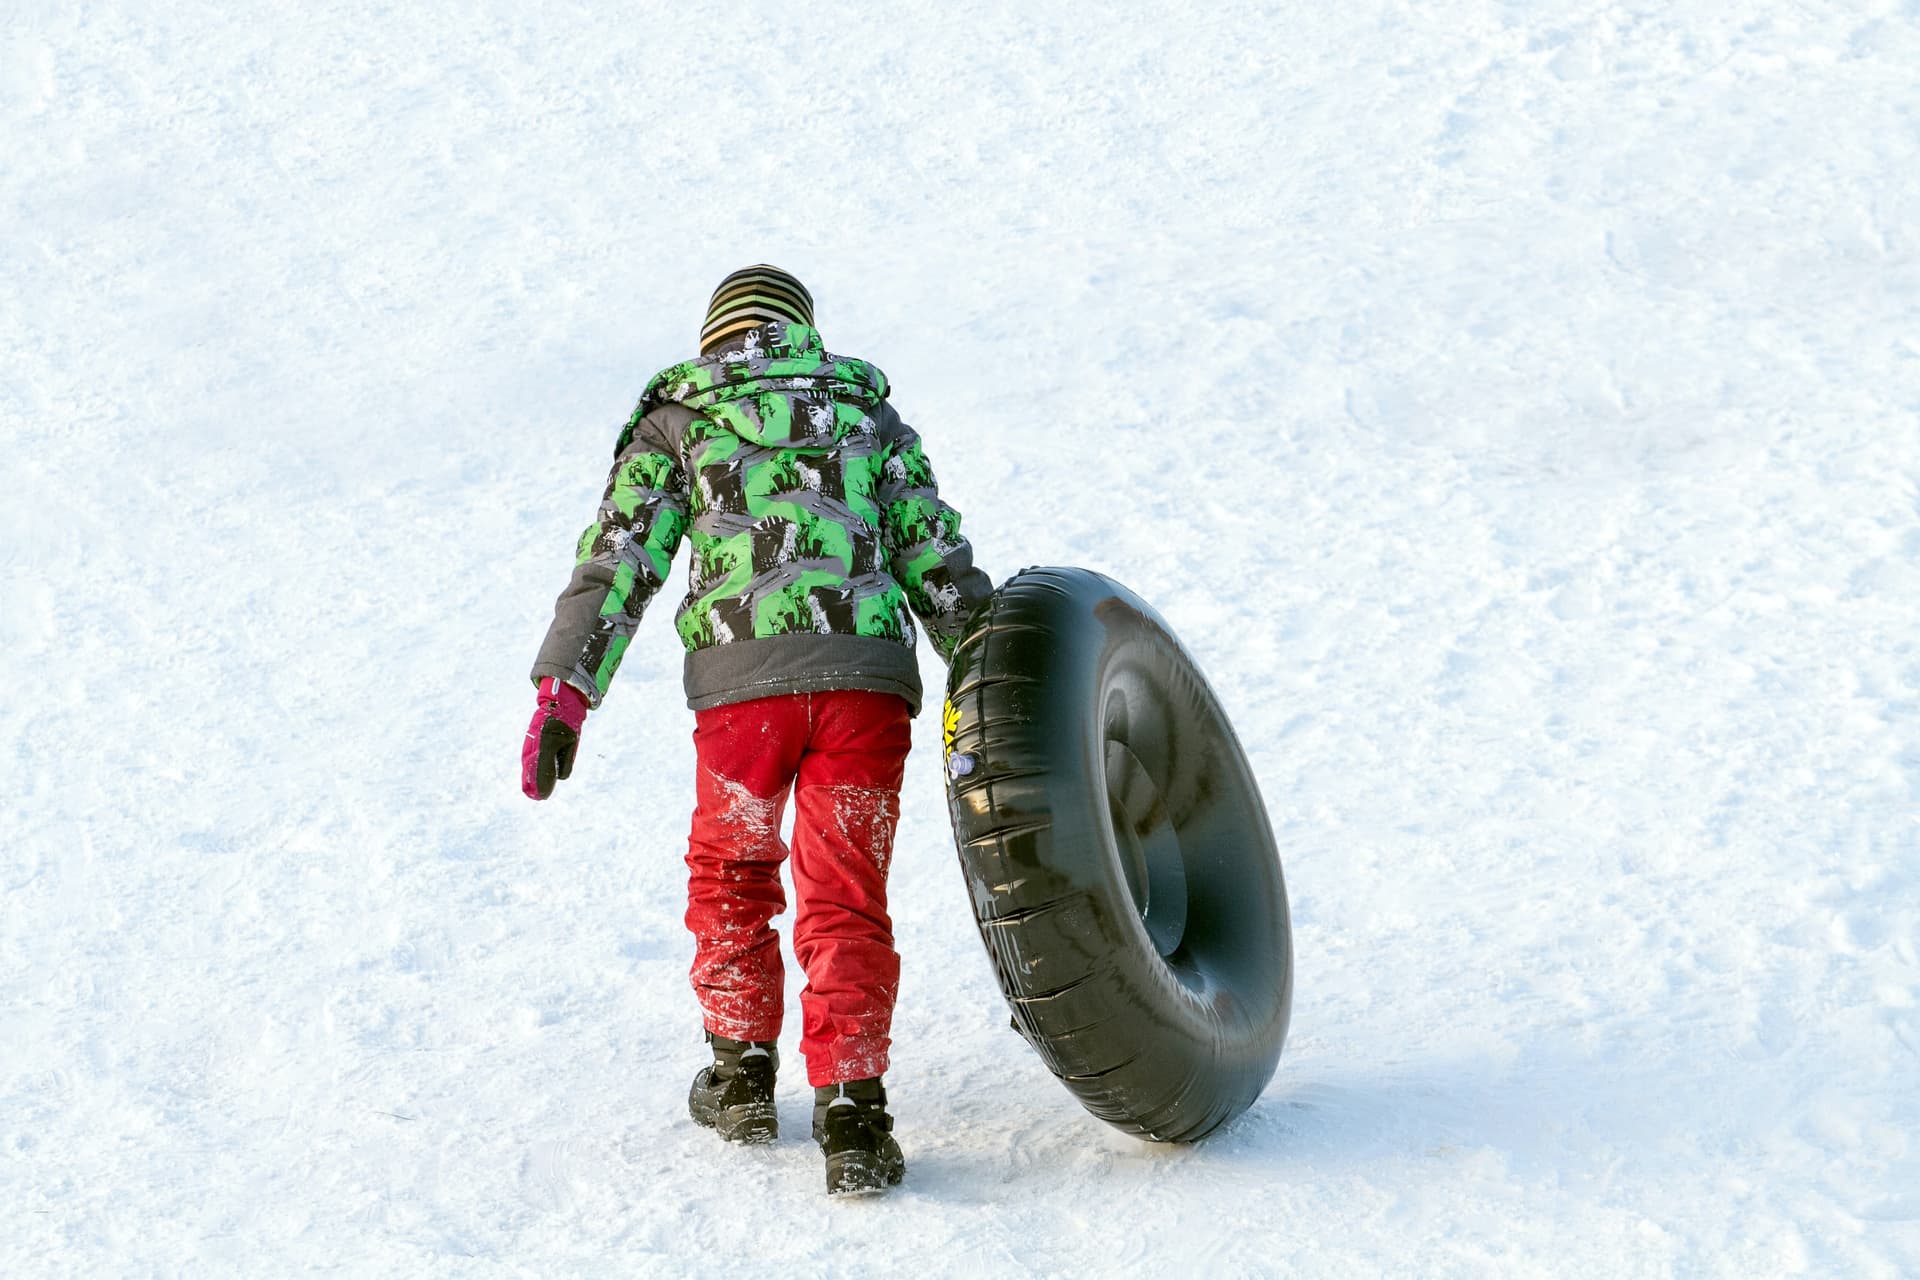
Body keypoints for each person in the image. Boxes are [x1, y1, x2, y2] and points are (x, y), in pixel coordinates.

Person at [520, 265, 993, 1195]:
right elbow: (936, 560)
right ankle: (853, 1112)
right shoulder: (867, 419)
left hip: (744, 699)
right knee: (845, 891)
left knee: (732, 866)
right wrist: (994, 681)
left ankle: (740, 1073)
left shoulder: (681, 421)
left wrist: (565, 692)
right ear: (802, 336)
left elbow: (620, 560)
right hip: (865, 689)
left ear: (714, 341)